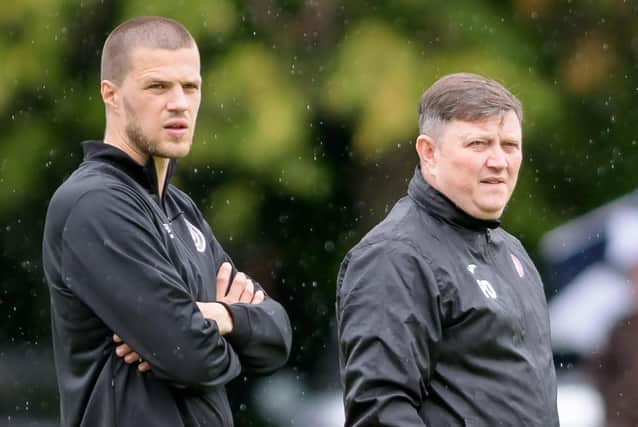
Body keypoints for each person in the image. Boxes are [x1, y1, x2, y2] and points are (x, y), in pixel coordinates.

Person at [42, 16, 292, 427]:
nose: (179, 102)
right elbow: (192, 357)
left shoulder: (180, 208)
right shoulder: (93, 204)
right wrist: (215, 330)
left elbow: (278, 338)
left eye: (190, 87)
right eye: (157, 86)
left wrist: (221, 317)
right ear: (112, 94)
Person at [336, 72, 559, 426]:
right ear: (429, 152)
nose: (499, 161)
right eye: (478, 144)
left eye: (510, 145)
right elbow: (381, 410)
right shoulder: (395, 256)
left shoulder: (512, 253)